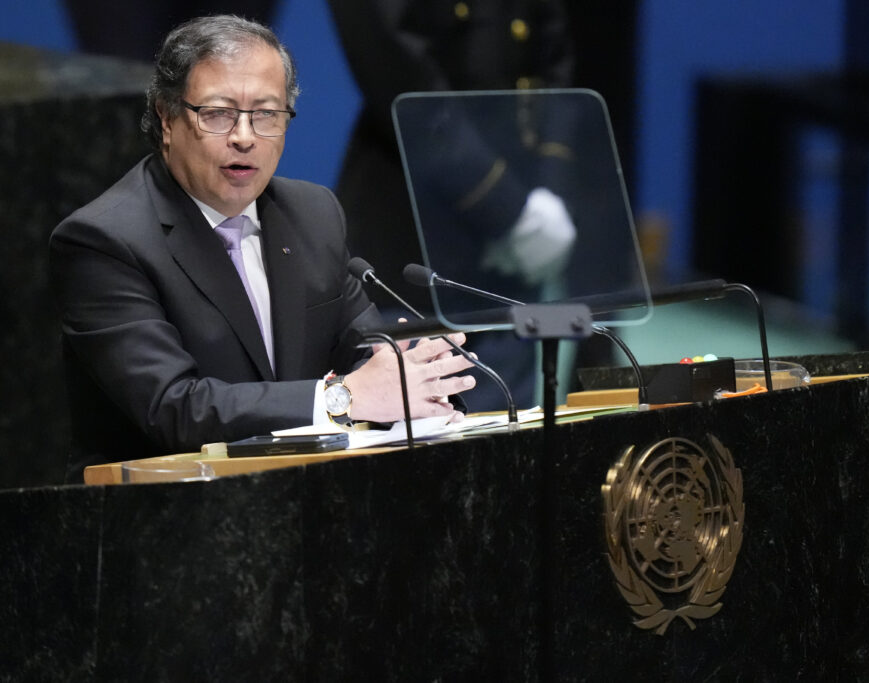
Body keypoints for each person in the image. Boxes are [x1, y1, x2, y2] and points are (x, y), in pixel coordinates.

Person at [49, 14, 476, 481]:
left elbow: (362, 352)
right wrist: (344, 398)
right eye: (218, 114)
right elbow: (174, 409)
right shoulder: (105, 240)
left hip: (301, 498)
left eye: (266, 114)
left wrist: (411, 375)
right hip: (159, 509)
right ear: (167, 119)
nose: (245, 136)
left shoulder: (312, 214)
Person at [328, 0, 578, 411]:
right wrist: (506, 209)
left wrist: (548, 192)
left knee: (512, 437)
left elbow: (552, 59)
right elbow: (393, 62)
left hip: (510, 264)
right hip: (412, 245)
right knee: (409, 439)